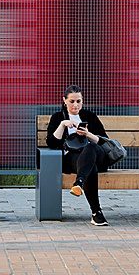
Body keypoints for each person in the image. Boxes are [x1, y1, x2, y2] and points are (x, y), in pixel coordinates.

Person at [46, 85, 110, 226]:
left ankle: (79, 182)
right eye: (72, 101)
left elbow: (104, 141)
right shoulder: (58, 117)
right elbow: (51, 143)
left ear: (82, 101)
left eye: (78, 101)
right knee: (90, 167)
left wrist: (87, 134)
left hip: (96, 154)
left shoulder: (90, 116)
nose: (75, 105)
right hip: (74, 159)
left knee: (91, 147)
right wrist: (63, 125)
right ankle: (96, 213)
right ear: (64, 101)